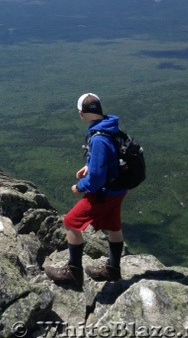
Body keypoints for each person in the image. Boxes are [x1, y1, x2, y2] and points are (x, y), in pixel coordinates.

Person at [44, 93, 128, 288]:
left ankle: (73, 272)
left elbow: (97, 180)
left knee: (71, 222)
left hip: (105, 192)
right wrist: (89, 166)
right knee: (114, 226)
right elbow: (111, 156)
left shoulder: (98, 138)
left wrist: (80, 187)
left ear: (82, 114)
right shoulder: (110, 126)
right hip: (118, 189)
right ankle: (113, 269)